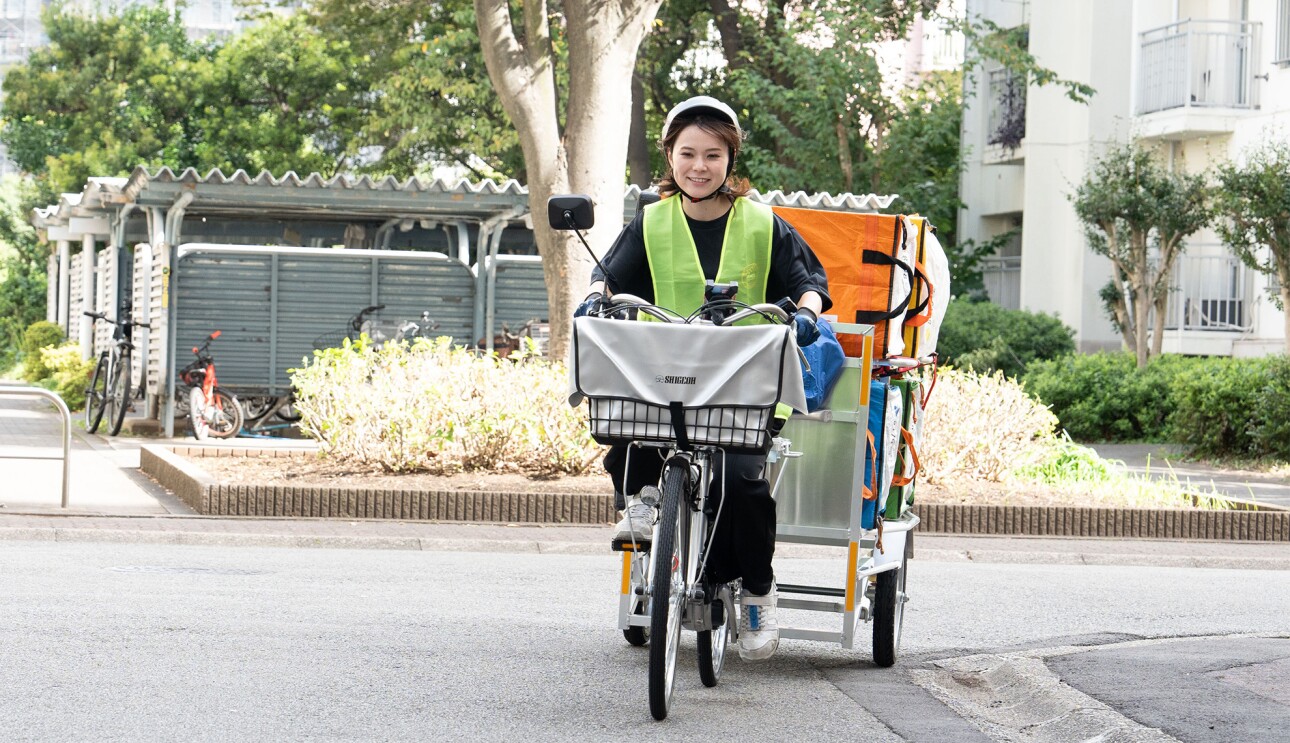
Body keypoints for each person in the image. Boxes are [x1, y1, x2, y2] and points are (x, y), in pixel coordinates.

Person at [575, 95, 831, 662]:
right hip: (665, 382)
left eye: (712, 155)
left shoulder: (764, 223)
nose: (699, 166)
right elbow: (607, 277)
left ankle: (758, 592)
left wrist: (808, 312)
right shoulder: (651, 222)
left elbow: (809, 277)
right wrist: (592, 302)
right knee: (627, 427)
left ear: (729, 159)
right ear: (669, 157)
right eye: (687, 153)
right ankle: (642, 503)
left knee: (743, 482)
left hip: (744, 389)